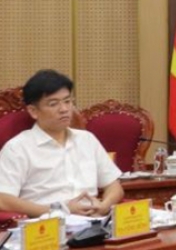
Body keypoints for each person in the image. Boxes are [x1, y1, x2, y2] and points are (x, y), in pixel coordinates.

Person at [0, 69, 124, 217]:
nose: (64, 109)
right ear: (33, 111)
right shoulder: (17, 148)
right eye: (53, 104)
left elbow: (114, 186)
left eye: (67, 101)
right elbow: (4, 199)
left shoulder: (87, 139)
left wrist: (104, 205)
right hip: (47, 225)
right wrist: (59, 210)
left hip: (93, 221)